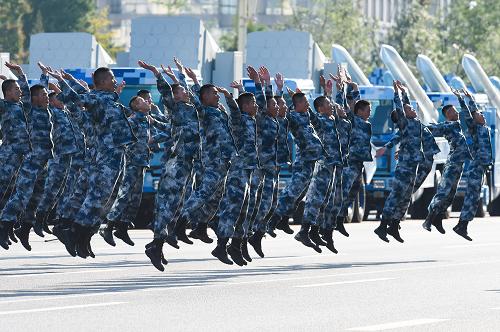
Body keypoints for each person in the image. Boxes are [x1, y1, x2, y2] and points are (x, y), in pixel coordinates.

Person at [374, 81, 423, 243]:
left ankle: (394, 226)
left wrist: (405, 92)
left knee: (406, 198)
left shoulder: (414, 124)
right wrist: (397, 93)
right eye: (409, 109)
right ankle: (382, 226)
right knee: (395, 196)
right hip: (404, 167)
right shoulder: (405, 123)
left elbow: (406, 105)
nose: (412, 109)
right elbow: (401, 108)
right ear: (403, 116)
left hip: (413, 166)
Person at [453, 89, 492, 240]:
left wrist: (469, 97)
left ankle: (462, 225)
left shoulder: (484, 128)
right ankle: (462, 225)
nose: (481, 115)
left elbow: (474, 112)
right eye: (479, 115)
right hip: (476, 166)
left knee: (474, 197)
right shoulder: (474, 129)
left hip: (481, 167)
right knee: (472, 197)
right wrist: (464, 100)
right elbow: (469, 114)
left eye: (481, 114)